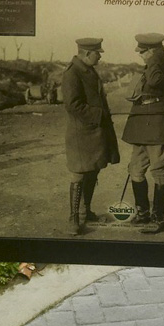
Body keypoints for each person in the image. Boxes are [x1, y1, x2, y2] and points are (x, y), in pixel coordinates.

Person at [122, 33, 164, 234]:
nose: (140, 55)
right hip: (141, 124)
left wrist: (155, 58)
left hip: (159, 125)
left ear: (154, 51)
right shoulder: (150, 67)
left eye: (144, 51)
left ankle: (157, 219)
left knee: (159, 171)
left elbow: (156, 82)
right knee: (135, 170)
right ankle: (143, 214)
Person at [61, 37, 120, 235]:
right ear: (87, 53)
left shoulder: (88, 70)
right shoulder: (72, 73)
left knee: (93, 171)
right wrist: (98, 114)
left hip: (94, 132)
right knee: (79, 173)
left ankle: (87, 212)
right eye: (98, 53)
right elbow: (72, 105)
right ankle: (73, 219)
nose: (100, 56)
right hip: (81, 134)